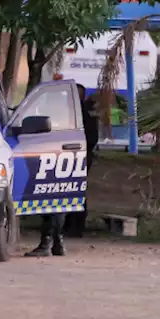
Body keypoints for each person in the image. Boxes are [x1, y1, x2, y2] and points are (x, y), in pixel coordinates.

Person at [64, 84, 98, 237]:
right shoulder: (70, 114)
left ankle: (76, 226)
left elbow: (92, 138)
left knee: (77, 190)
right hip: (69, 156)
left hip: (81, 157)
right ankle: (69, 224)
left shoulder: (84, 115)